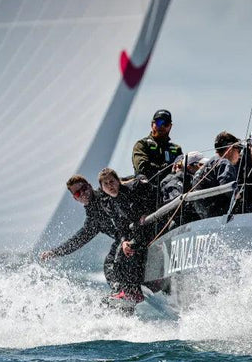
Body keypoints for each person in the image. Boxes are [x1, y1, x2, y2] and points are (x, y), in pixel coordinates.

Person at [39, 175, 125, 293]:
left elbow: (123, 184)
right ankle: (123, 293)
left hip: (136, 233)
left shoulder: (106, 192)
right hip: (124, 241)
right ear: (76, 199)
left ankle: (123, 291)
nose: (83, 194)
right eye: (78, 194)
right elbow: (78, 240)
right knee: (109, 264)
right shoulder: (93, 220)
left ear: (89, 186)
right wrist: (55, 252)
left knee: (111, 262)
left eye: (83, 189)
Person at [98, 168, 156, 302]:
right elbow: (121, 226)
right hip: (136, 232)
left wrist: (147, 212)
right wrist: (124, 241)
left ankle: (132, 291)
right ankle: (125, 290)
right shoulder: (110, 203)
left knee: (124, 253)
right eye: (105, 184)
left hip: (150, 227)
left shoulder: (133, 188)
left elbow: (153, 191)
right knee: (119, 253)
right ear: (102, 188)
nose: (110, 186)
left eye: (112, 181)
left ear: (118, 181)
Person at [192, 131, 242, 218]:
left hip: (203, 217)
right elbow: (227, 184)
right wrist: (239, 198)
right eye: (238, 149)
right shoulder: (224, 162)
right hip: (217, 216)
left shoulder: (208, 164)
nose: (240, 154)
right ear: (230, 149)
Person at [132, 109, 184, 187]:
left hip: (171, 190)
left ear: (170, 126)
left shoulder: (176, 149)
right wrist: (167, 168)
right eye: (159, 122)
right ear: (152, 124)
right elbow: (143, 168)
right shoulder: (142, 144)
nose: (162, 126)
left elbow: (181, 169)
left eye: (166, 124)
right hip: (148, 190)